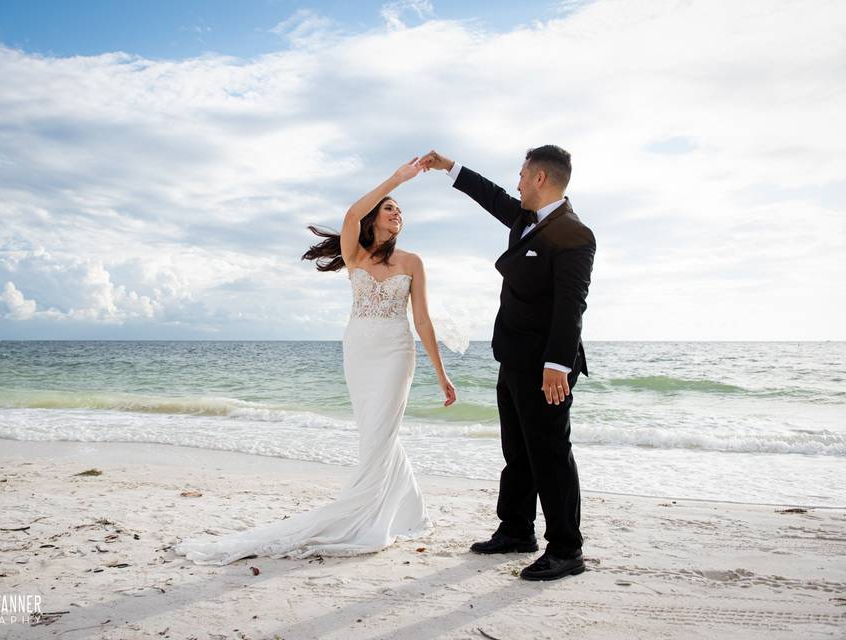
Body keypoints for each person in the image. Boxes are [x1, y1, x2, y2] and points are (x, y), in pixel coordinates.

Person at [173, 157, 457, 565]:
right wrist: (399, 179)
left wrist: (441, 374)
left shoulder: (412, 263)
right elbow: (351, 213)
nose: (398, 214)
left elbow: (423, 320)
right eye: (390, 208)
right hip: (359, 351)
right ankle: (407, 512)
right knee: (373, 435)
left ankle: (372, 514)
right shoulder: (355, 255)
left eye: (400, 211)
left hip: (396, 352)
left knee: (382, 433)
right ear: (375, 217)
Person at [419, 146, 595, 581]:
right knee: (516, 450)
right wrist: (449, 167)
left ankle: (567, 549)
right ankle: (517, 529)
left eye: (521, 176)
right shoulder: (522, 218)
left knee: (550, 453)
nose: (516, 184)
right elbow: (491, 195)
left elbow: (572, 304)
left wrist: (557, 363)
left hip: (546, 365)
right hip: (513, 356)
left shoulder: (575, 233)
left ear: (539, 178)